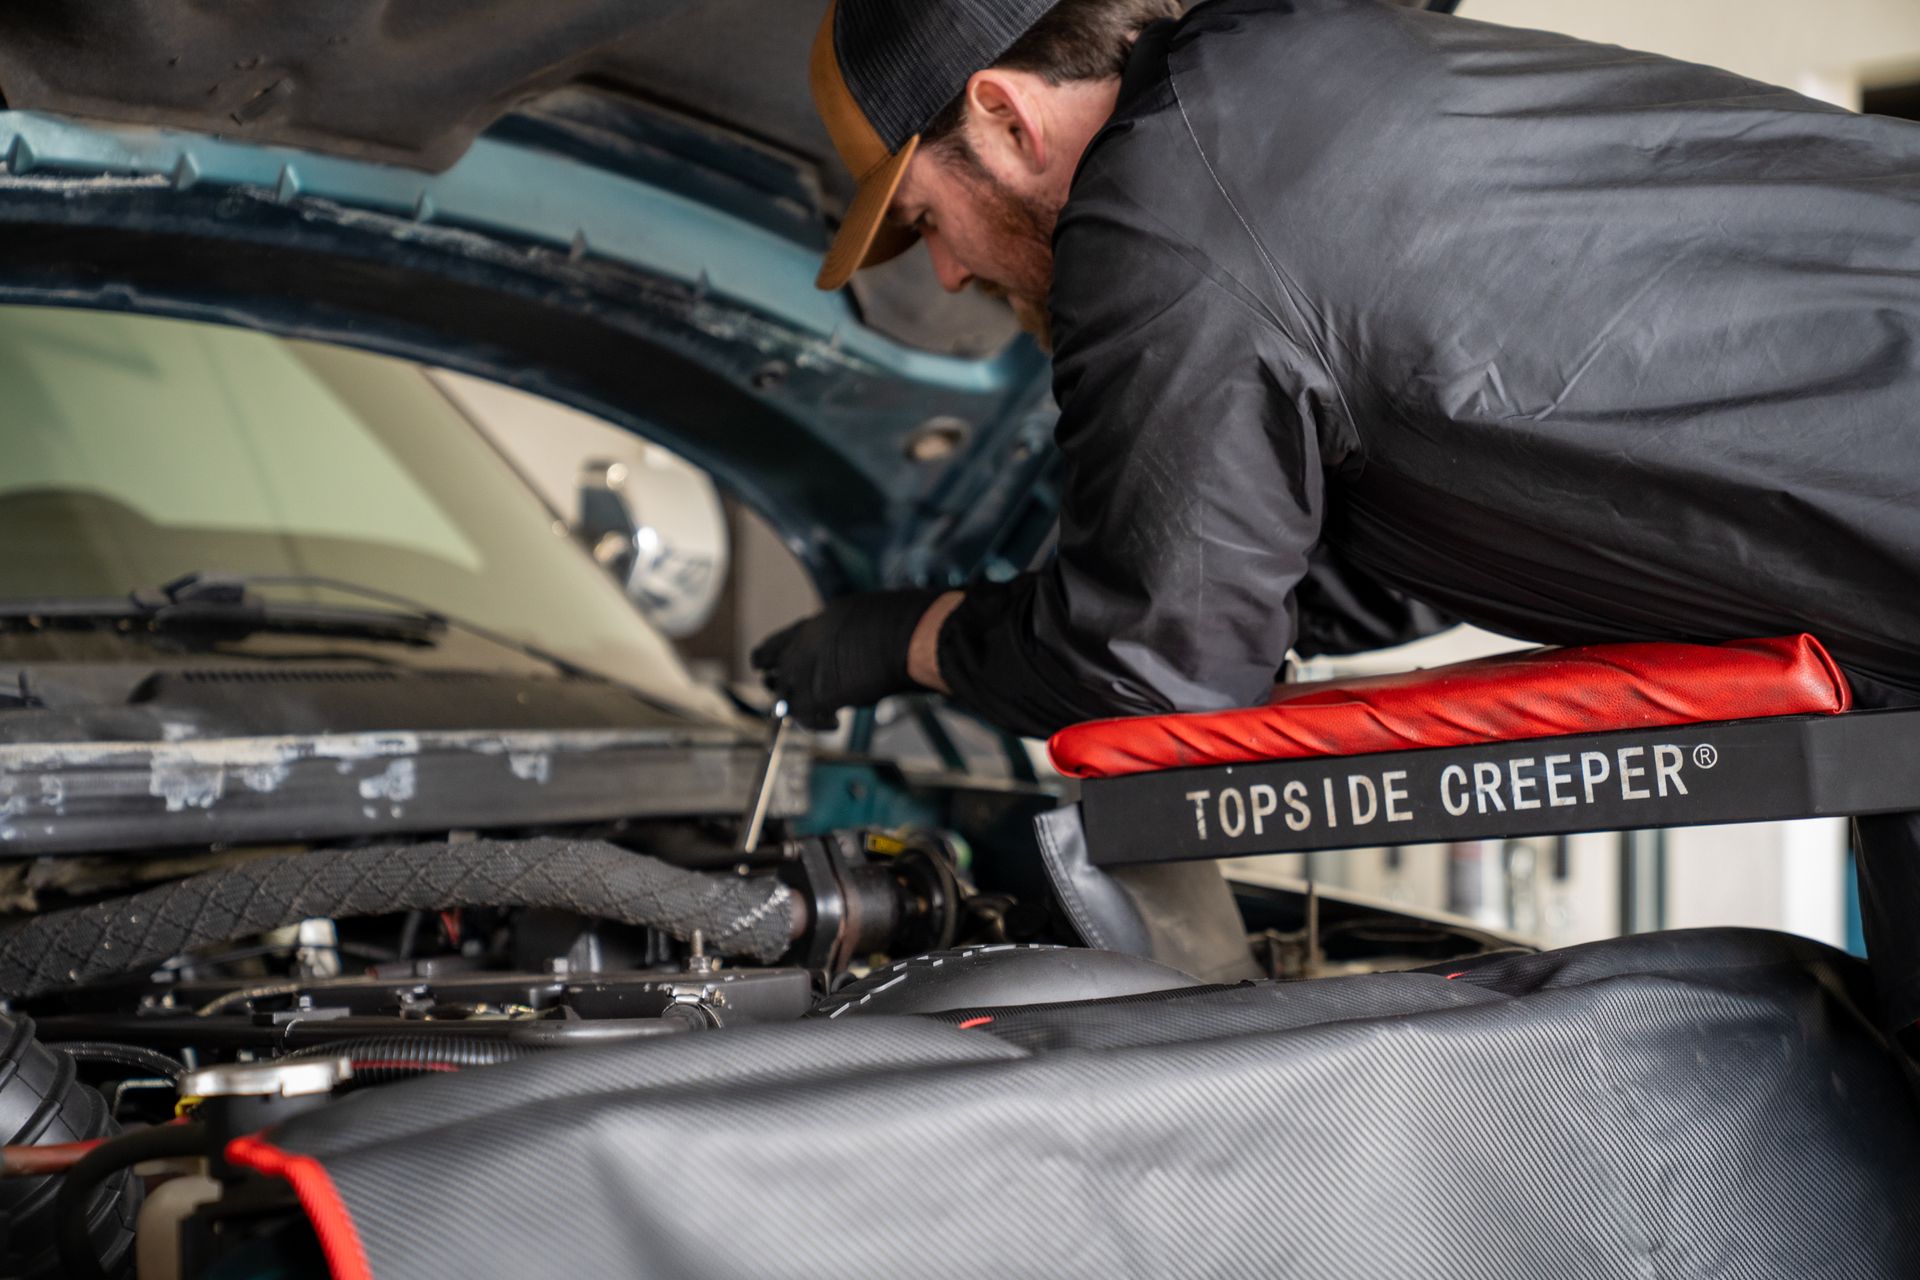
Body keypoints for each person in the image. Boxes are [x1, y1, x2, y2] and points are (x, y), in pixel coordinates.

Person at [754, 0, 1920, 1034]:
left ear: (1008, 118)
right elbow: (1438, 519)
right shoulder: (1308, 58)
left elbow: (1147, 673)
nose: (946, 275)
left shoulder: (1163, 210)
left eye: (920, 220)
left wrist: (914, 636)